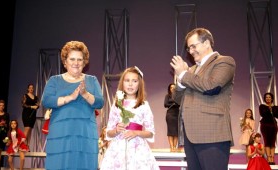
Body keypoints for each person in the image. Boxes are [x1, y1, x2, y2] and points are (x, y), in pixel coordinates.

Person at [170, 27, 236, 170]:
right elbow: (177, 99)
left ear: (207, 43)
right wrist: (180, 82)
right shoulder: (191, 71)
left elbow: (212, 86)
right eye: (189, 48)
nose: (191, 51)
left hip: (212, 135)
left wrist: (183, 75)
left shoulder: (224, 62)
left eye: (193, 46)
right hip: (190, 136)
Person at [41, 40, 104, 170]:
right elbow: (46, 100)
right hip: (60, 133)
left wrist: (85, 94)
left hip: (85, 133)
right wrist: (69, 98)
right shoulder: (54, 80)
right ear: (65, 61)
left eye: (80, 59)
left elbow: (100, 102)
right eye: (72, 59)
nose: (76, 63)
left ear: (84, 62)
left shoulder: (92, 80)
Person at [100, 66, 160, 170]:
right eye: (127, 80)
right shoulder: (117, 105)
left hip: (138, 150)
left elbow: (150, 132)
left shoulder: (144, 105)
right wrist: (116, 130)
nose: (130, 84)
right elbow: (108, 132)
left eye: (134, 81)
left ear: (139, 84)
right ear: (122, 83)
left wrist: (136, 133)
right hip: (118, 150)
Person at [259, 92, 278, 165]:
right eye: (266, 97)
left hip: (273, 126)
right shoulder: (262, 106)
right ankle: (269, 158)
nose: (268, 98)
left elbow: (277, 115)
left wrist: (272, 109)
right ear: (265, 98)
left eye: (269, 97)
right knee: (267, 141)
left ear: (272, 98)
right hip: (265, 125)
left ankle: (272, 158)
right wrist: (268, 109)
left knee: (272, 142)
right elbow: (262, 114)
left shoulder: (275, 107)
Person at [164, 83, 180, 152]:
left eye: (174, 88)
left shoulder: (178, 96)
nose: (172, 89)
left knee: (176, 132)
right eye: (171, 88)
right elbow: (165, 104)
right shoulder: (167, 96)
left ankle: (175, 147)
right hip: (170, 115)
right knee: (170, 131)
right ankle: (171, 147)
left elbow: (179, 103)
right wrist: (174, 103)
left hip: (177, 114)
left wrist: (175, 103)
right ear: (169, 89)